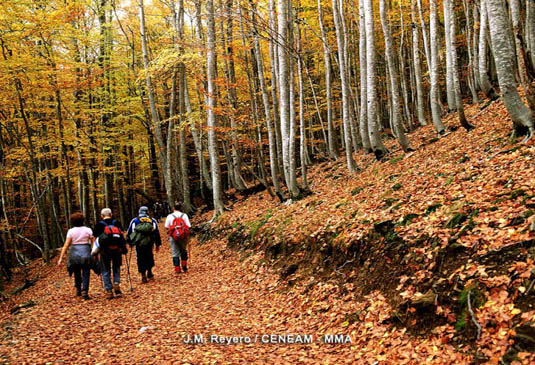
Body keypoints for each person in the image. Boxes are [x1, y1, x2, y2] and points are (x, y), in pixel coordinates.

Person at [58, 212, 94, 300]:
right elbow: (94, 243)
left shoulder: (71, 231)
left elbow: (66, 245)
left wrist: (60, 258)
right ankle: (85, 290)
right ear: (83, 220)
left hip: (74, 254)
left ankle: (78, 289)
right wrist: (94, 253)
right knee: (86, 272)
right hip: (86, 253)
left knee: (76, 272)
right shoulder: (88, 230)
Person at [94, 208, 126, 299]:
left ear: (102, 216)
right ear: (111, 214)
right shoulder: (117, 223)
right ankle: (116, 285)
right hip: (117, 249)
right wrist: (122, 248)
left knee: (105, 269)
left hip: (105, 251)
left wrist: (96, 252)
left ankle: (109, 291)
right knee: (116, 267)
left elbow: (95, 239)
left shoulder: (99, 225)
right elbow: (121, 235)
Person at [126, 206, 161, 283]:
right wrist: (158, 244)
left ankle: (143, 275)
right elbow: (156, 232)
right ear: (147, 211)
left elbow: (130, 232)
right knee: (149, 255)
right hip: (149, 242)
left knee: (140, 257)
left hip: (139, 243)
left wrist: (130, 242)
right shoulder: (152, 220)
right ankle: (149, 272)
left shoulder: (135, 220)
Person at [165, 202, 191, 274]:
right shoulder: (184, 215)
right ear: (181, 208)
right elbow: (188, 226)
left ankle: (177, 269)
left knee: (175, 252)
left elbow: (166, 226)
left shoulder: (170, 216)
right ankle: (184, 266)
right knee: (183, 250)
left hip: (173, 236)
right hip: (183, 236)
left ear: (174, 208)